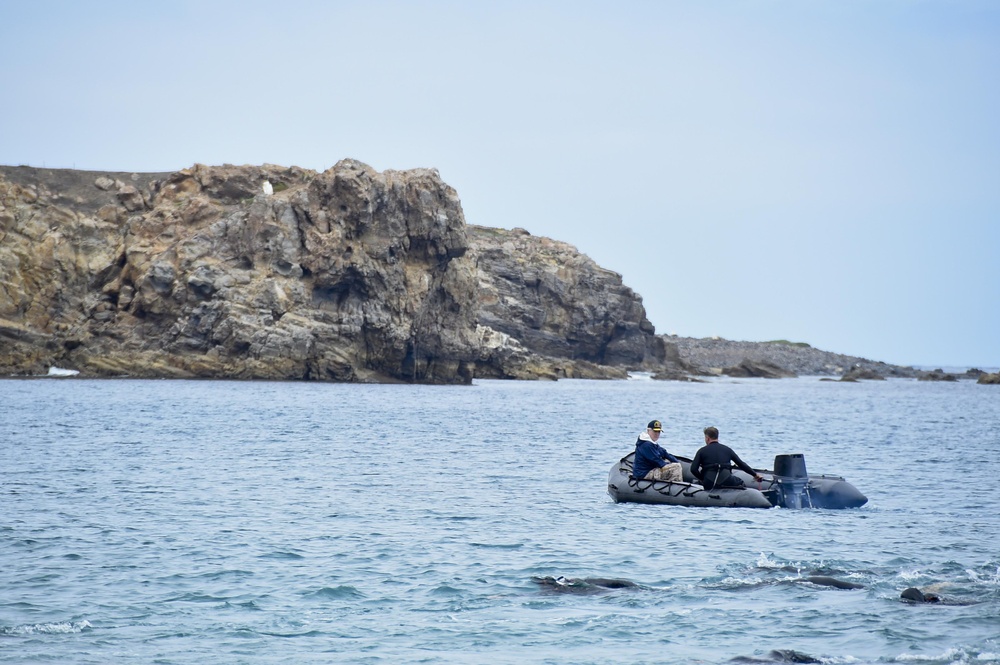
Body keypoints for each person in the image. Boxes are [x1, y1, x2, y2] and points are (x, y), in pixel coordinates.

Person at [690, 426, 763, 490]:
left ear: (707, 438)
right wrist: (755, 475)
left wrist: (702, 479)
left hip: (709, 482)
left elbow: (693, 469)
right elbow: (741, 464)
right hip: (727, 480)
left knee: (696, 483)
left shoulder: (701, 451)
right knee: (740, 482)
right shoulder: (728, 450)